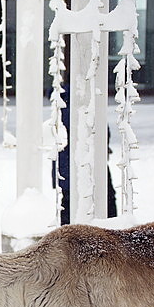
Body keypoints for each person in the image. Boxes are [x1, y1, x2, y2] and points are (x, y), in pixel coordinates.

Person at [52, 84, 117, 225]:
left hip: (66, 165)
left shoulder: (61, 105)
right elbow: (100, 132)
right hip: (86, 162)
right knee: (105, 200)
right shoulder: (84, 104)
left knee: (70, 204)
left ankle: (70, 236)